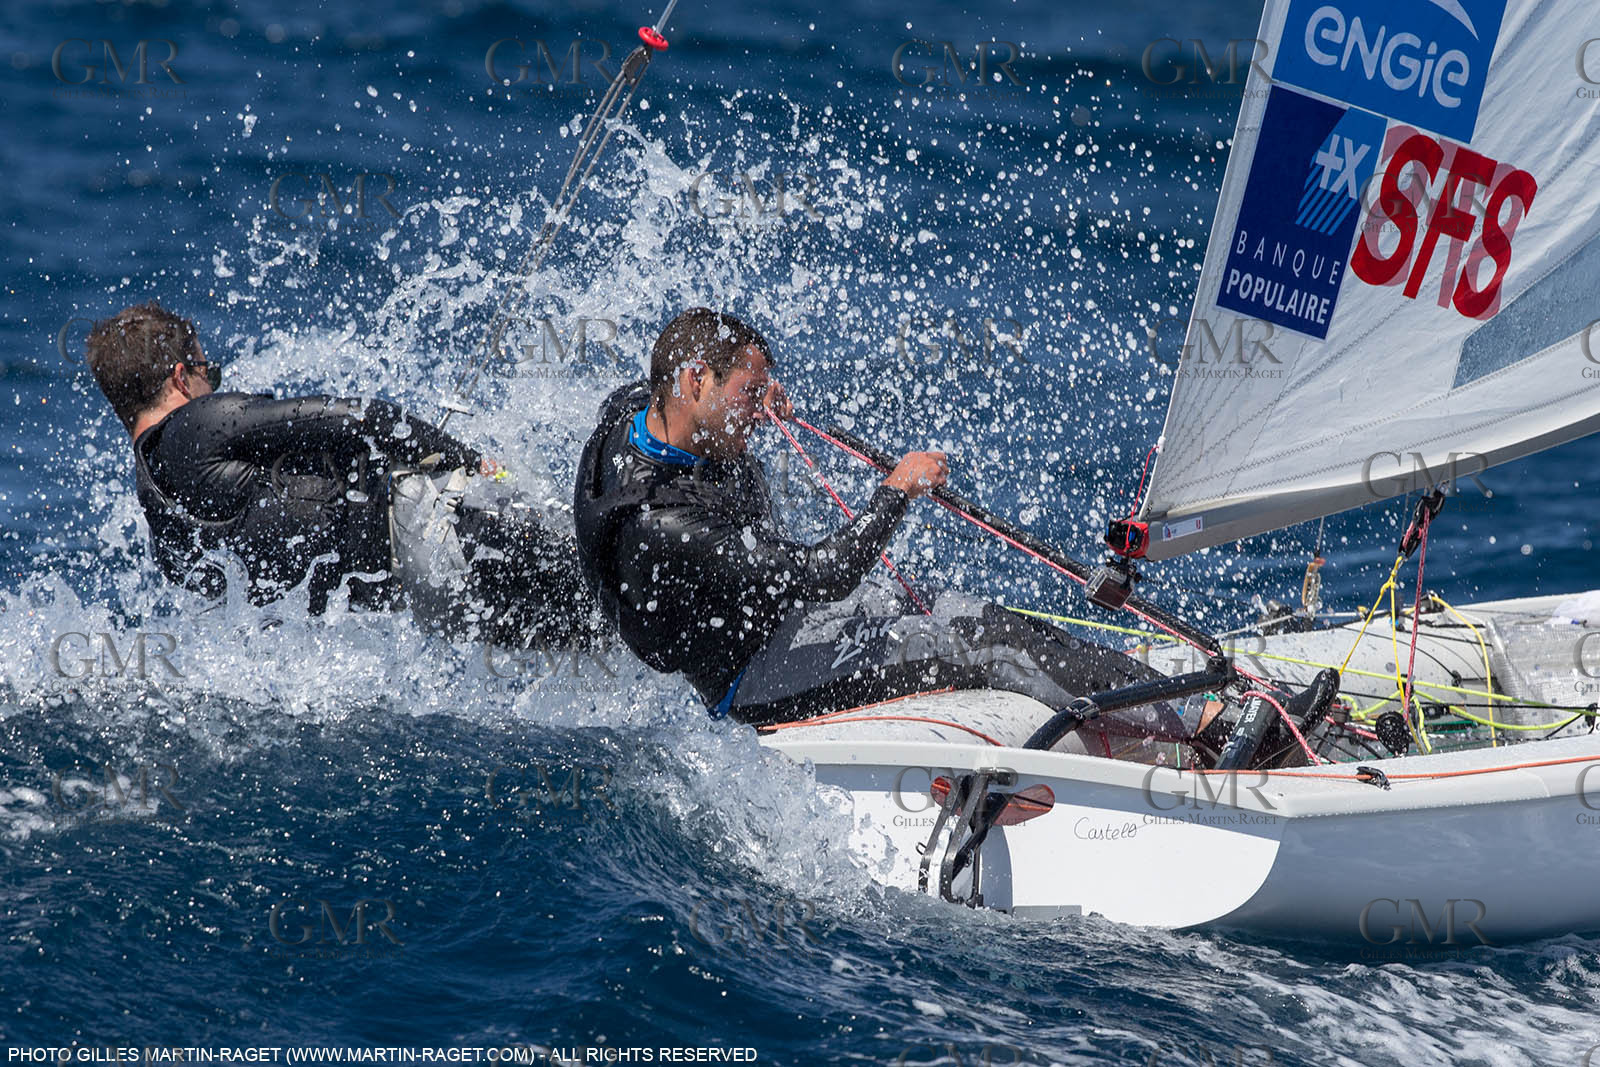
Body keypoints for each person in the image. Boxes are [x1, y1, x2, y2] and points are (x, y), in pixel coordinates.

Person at [572, 306, 1191, 746]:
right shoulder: (662, 521)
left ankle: (1175, 695)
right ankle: (1198, 727)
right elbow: (829, 574)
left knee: (981, 615)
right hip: (754, 672)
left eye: (763, 394)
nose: (760, 412)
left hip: (780, 615)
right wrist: (897, 489)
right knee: (986, 648)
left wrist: (751, 391)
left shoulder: (640, 407)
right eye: (748, 395)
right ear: (694, 381)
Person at [85, 300, 597, 649]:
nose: (215, 382)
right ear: (180, 375)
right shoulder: (197, 424)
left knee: (609, 630)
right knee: (613, 568)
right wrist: (465, 459)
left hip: (427, 600)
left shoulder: (163, 525)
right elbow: (360, 418)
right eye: (208, 370)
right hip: (440, 531)